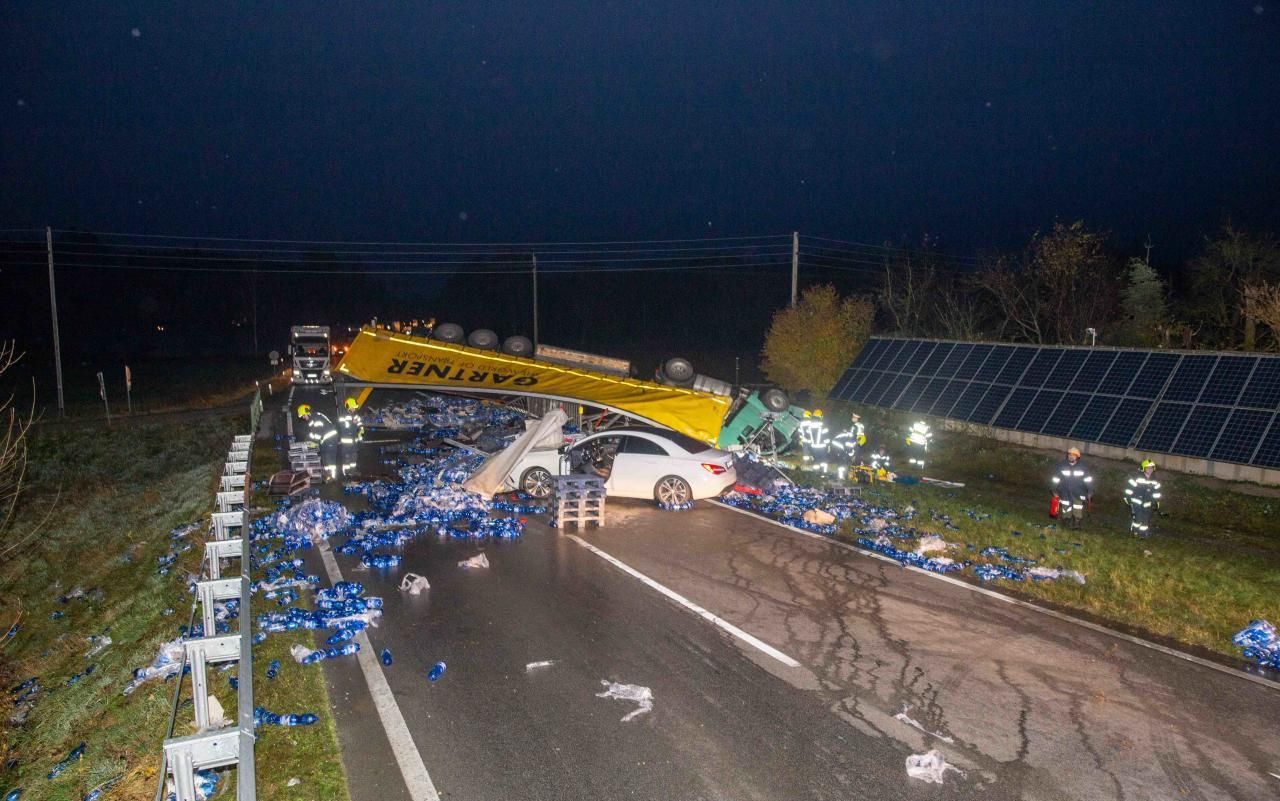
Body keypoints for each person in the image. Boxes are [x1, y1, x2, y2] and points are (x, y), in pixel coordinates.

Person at [1051, 446, 1093, 529]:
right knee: (1066, 507)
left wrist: (1090, 490)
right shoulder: (1062, 465)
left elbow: (1088, 480)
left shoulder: (1083, 467)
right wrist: (1053, 489)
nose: (1071, 456)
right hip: (1064, 491)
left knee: (1077, 507)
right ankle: (1066, 522)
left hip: (1079, 491)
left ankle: (1077, 525)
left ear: (1077, 456)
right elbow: (1056, 478)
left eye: (1073, 455)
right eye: (1069, 454)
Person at [298, 403, 338, 480]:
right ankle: (328, 476)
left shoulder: (315, 418)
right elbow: (313, 433)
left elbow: (317, 434)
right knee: (325, 458)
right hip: (325, 440)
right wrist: (307, 440)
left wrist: (312, 443)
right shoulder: (313, 419)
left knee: (329, 459)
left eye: (304, 415)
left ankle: (333, 477)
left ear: (307, 412)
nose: (303, 417)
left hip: (330, 439)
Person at [1124, 459, 1162, 537]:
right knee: (1138, 518)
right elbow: (1129, 488)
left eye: (1151, 468)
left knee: (1145, 520)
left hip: (1148, 504)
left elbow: (1157, 493)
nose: (1150, 470)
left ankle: (1142, 534)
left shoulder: (1155, 481)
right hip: (1136, 502)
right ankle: (1135, 532)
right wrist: (1127, 498)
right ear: (1143, 468)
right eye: (1148, 468)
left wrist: (1156, 502)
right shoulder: (1137, 478)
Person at [337, 397, 365, 477]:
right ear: (348, 408)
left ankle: (353, 471)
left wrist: (361, 429)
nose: (354, 409)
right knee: (347, 457)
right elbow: (344, 427)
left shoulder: (356, 416)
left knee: (354, 456)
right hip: (346, 442)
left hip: (354, 442)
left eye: (354, 408)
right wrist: (353, 423)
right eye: (352, 408)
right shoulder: (343, 416)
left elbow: (360, 423)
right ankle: (346, 473)